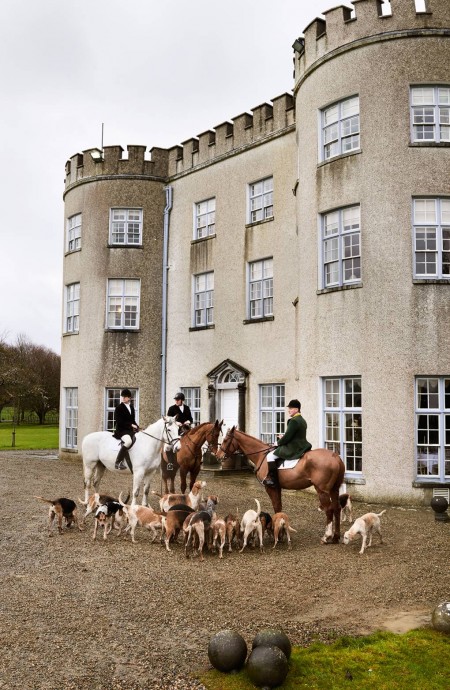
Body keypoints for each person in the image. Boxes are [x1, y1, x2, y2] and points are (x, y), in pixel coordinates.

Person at [263, 399, 312, 488]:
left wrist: (277, 443)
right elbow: (295, 434)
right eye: (289, 408)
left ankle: (272, 479)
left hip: (294, 447)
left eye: (291, 408)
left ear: (297, 409)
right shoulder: (302, 420)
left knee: (270, 456)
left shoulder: (293, 421)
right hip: (302, 445)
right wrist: (284, 436)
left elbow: (287, 438)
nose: (289, 410)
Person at [113, 389, 139, 470]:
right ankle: (118, 462)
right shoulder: (119, 408)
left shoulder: (131, 407)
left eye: (125, 397)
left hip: (129, 430)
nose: (123, 398)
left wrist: (138, 427)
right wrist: (131, 425)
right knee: (128, 441)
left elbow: (132, 420)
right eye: (122, 397)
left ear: (129, 398)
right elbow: (119, 422)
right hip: (121, 430)